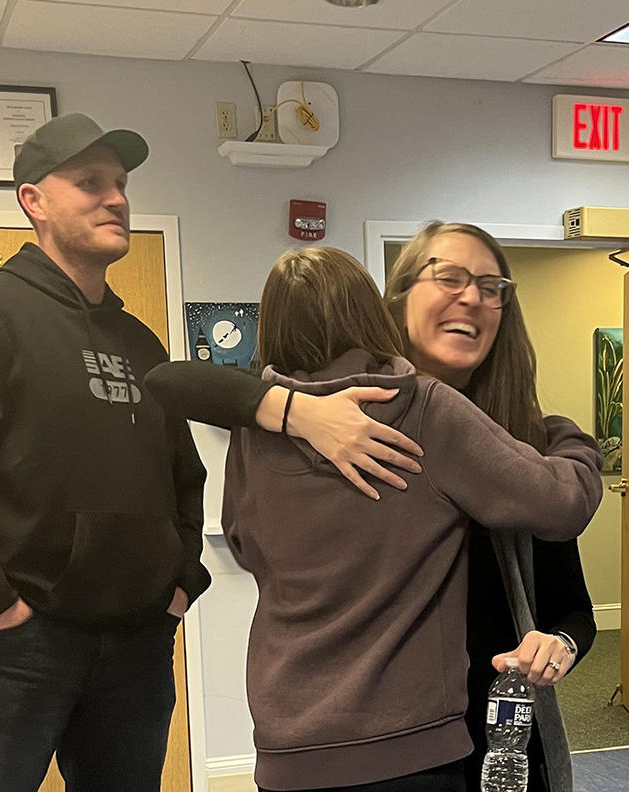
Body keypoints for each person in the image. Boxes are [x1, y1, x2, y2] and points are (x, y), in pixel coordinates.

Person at [147, 222, 597, 791]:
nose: (470, 299)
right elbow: (564, 502)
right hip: (411, 744)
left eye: (489, 286)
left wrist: (291, 416)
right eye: (449, 278)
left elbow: (243, 541)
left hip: (290, 745)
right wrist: (575, 440)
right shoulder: (421, 407)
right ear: (383, 309)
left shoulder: (256, 432)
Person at [0, 113, 210, 792]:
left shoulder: (141, 345)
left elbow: (183, 478)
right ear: (34, 200)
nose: (115, 197)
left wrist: (182, 581)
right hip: (13, 643)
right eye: (89, 182)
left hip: (135, 645)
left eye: (119, 183)